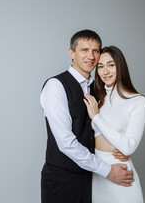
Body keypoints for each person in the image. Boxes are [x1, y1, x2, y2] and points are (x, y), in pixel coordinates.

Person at [40, 30, 134, 203]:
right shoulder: (55, 86)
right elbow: (66, 142)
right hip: (62, 180)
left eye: (95, 51)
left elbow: (105, 128)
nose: (90, 56)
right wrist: (107, 170)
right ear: (72, 52)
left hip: (92, 179)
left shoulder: (98, 89)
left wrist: (121, 148)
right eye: (84, 50)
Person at [84, 46, 145, 203]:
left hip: (121, 175)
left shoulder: (138, 101)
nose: (105, 71)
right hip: (98, 174)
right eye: (100, 66)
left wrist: (96, 117)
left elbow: (128, 147)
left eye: (111, 65)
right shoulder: (99, 102)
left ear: (120, 66)